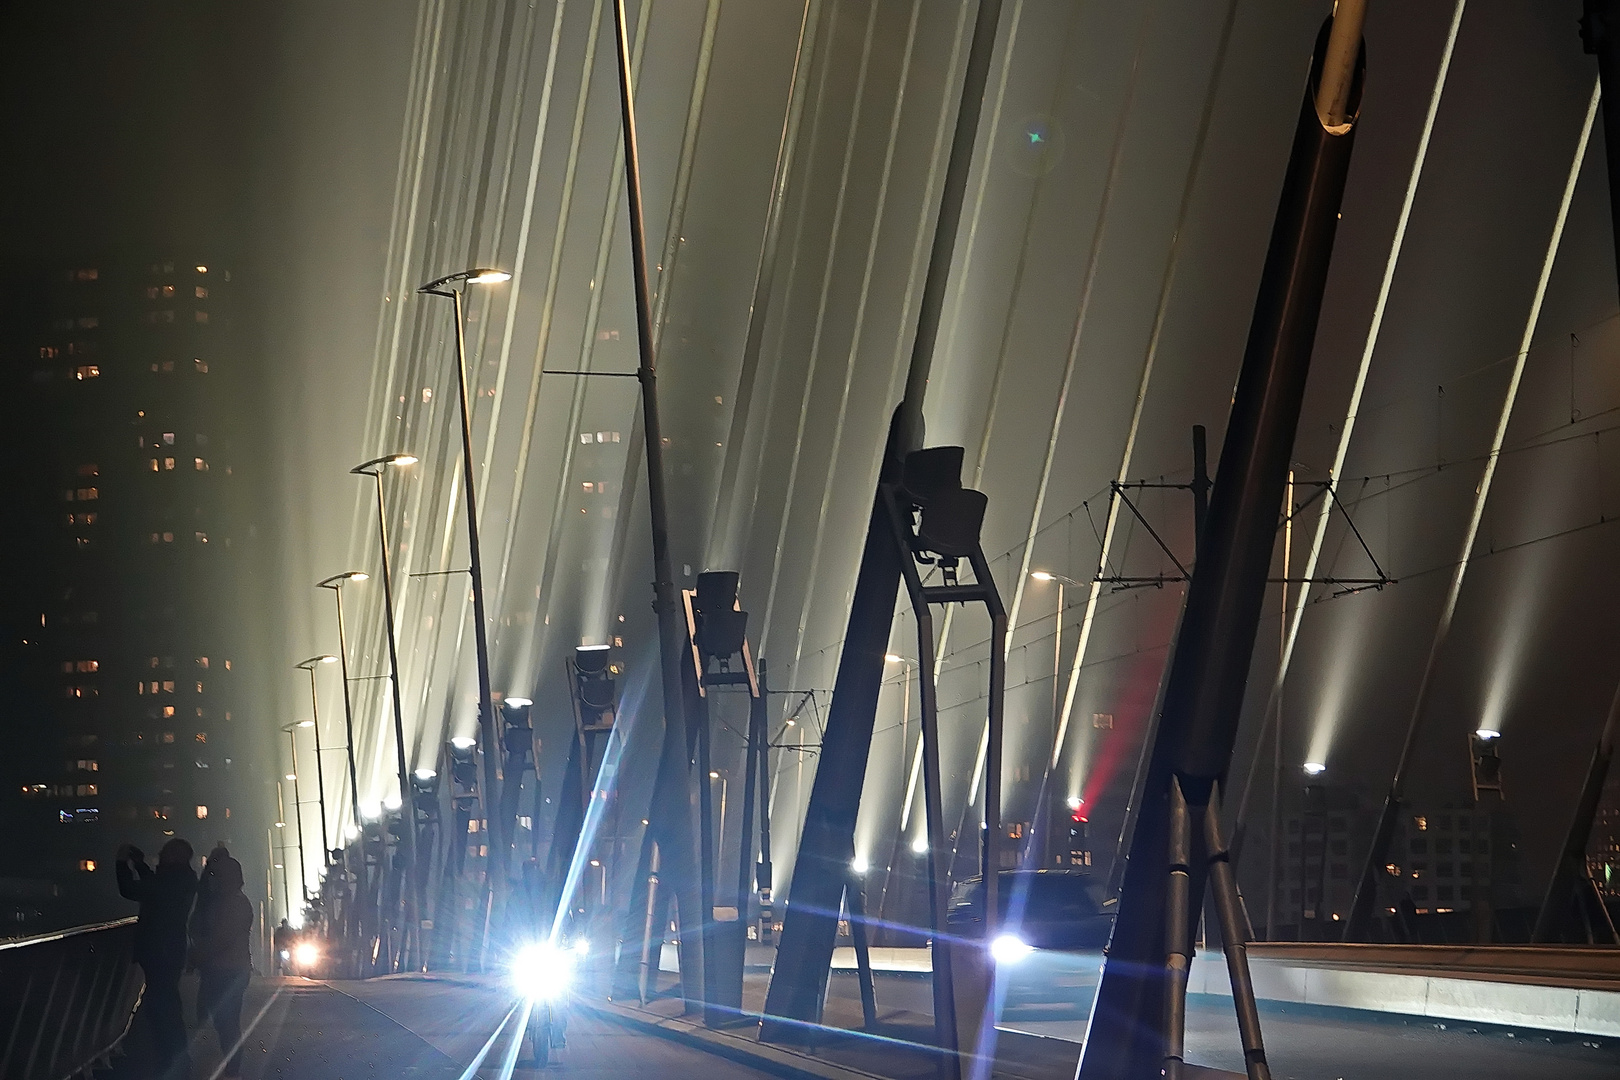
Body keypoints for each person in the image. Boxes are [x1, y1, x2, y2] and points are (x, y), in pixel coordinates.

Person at [116, 838, 197, 1078]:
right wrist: (140, 865)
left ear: (175, 856)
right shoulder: (182, 879)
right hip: (168, 951)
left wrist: (122, 863)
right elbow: (154, 888)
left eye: (166, 852)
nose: (160, 854)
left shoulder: (172, 881)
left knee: (163, 1009)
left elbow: (133, 890)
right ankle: (174, 1062)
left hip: (160, 951)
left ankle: (172, 1063)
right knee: (167, 1007)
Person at [192, 854, 252, 1077]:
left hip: (225, 969)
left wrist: (200, 955)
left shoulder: (227, 904)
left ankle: (228, 1066)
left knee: (223, 1020)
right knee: (226, 1020)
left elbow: (221, 938)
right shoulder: (237, 902)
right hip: (232, 968)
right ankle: (230, 1065)